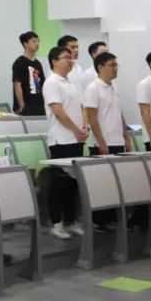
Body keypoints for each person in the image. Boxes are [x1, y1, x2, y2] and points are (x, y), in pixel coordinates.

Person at [41, 46, 87, 240]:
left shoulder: (71, 82)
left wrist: (84, 127)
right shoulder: (51, 82)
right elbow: (58, 112)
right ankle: (55, 223)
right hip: (61, 139)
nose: (70, 60)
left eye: (71, 57)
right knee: (59, 183)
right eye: (66, 57)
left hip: (76, 138)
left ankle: (70, 221)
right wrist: (76, 130)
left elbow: (82, 107)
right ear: (54, 61)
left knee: (73, 183)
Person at [84, 52, 131, 156]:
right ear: (100, 67)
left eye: (116, 65)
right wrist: (101, 143)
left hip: (118, 141)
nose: (115, 68)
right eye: (112, 65)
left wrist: (127, 138)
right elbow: (92, 118)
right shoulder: (93, 88)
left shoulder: (115, 86)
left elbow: (119, 114)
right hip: (101, 143)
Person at [12, 31, 46, 115]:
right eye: (33, 41)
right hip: (26, 106)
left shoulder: (37, 63)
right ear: (25, 44)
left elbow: (42, 84)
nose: (37, 44)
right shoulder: (19, 62)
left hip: (39, 105)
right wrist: (21, 105)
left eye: (38, 41)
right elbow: (17, 85)